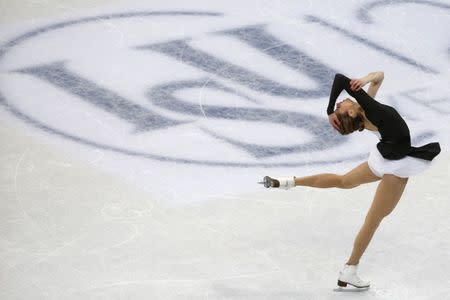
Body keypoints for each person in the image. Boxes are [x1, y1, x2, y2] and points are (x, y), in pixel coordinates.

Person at [261, 71, 441, 289]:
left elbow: (380, 76)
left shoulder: (367, 110)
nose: (339, 104)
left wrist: (365, 81)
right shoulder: (370, 109)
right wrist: (330, 110)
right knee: (372, 221)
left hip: (385, 158)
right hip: (396, 167)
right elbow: (340, 79)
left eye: (337, 107)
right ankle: (350, 269)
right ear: (353, 112)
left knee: (343, 181)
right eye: (340, 108)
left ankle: (289, 181)